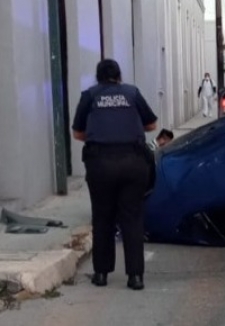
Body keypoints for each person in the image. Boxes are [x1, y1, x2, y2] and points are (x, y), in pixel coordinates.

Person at [71, 59, 157, 290]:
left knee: (102, 217)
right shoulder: (132, 93)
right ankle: (135, 277)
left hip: (100, 164)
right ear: (119, 77)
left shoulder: (90, 95)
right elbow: (152, 125)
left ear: (98, 78)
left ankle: (101, 274)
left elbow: (77, 133)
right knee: (132, 219)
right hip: (133, 163)